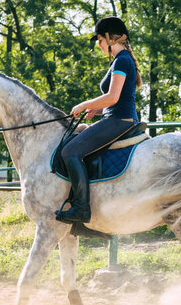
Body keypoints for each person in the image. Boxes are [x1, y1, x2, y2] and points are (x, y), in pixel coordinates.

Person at [56, 16, 142, 224]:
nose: (99, 45)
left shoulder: (121, 60)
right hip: (115, 116)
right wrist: (98, 110)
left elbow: (113, 96)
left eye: (100, 40)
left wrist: (85, 105)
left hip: (120, 120)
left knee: (70, 151)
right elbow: (117, 99)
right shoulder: (120, 60)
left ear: (111, 38)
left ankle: (81, 209)